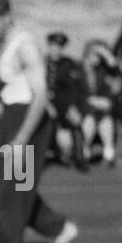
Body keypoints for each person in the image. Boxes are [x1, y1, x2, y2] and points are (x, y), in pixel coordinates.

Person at [0, 0, 78, 243]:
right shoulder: (4, 42)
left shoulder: (25, 45)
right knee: (10, 189)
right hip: (11, 116)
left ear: (7, 16)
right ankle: (59, 228)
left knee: (11, 193)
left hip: (29, 120)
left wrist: (21, 139)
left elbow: (41, 96)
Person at [45, 31, 86, 170]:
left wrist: (72, 106)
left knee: (75, 122)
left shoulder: (69, 64)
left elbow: (74, 89)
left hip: (63, 105)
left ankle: (79, 156)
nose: (55, 50)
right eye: (53, 46)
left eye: (58, 47)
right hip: (44, 104)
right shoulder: (41, 63)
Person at [78, 38, 120, 167]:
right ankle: (83, 150)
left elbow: (114, 67)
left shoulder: (101, 72)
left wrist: (107, 102)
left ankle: (109, 153)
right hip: (83, 109)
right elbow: (74, 93)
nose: (99, 58)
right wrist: (91, 100)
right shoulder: (77, 69)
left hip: (99, 111)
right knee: (90, 118)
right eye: (96, 55)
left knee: (105, 119)